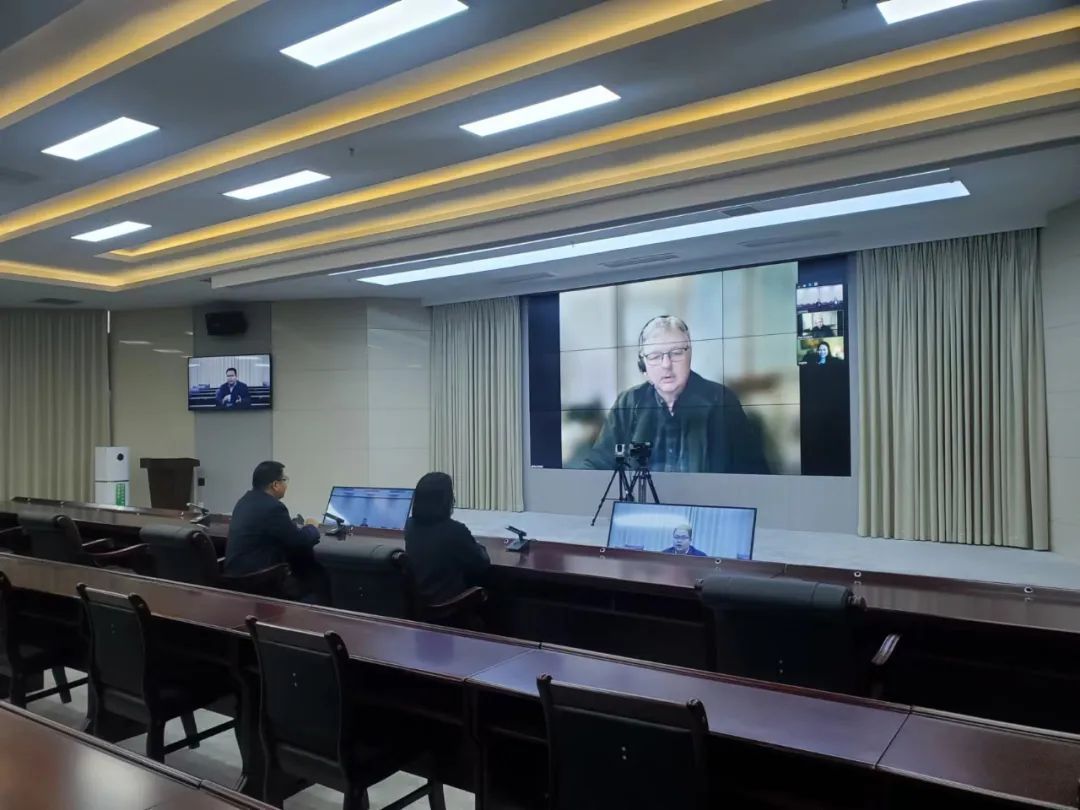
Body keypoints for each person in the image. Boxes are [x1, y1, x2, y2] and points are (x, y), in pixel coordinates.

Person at [581, 315, 769, 473]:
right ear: (643, 364)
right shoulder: (628, 403)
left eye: (676, 353)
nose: (666, 364)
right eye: (655, 356)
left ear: (689, 355)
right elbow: (597, 467)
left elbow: (754, 475)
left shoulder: (721, 400)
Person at [224, 461, 327, 603]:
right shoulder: (273, 507)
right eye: (285, 480)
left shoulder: (244, 501)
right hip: (257, 579)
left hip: (234, 577)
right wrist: (312, 527)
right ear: (275, 485)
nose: (286, 485)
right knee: (318, 579)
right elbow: (299, 541)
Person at [404, 472, 490, 606]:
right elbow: (482, 564)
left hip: (417, 608)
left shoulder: (409, 526)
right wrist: (479, 547)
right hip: (448, 608)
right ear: (447, 500)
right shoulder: (455, 530)